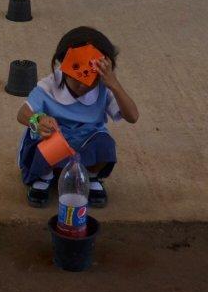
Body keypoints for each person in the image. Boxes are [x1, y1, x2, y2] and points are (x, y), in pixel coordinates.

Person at [16, 26, 139, 208]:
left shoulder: (104, 88)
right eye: (76, 78)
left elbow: (133, 116)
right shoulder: (49, 85)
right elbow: (22, 113)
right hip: (55, 140)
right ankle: (44, 176)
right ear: (63, 67)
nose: (83, 86)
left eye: (90, 81)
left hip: (86, 140)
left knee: (105, 143)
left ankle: (91, 175)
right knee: (47, 141)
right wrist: (37, 120)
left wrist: (114, 85)